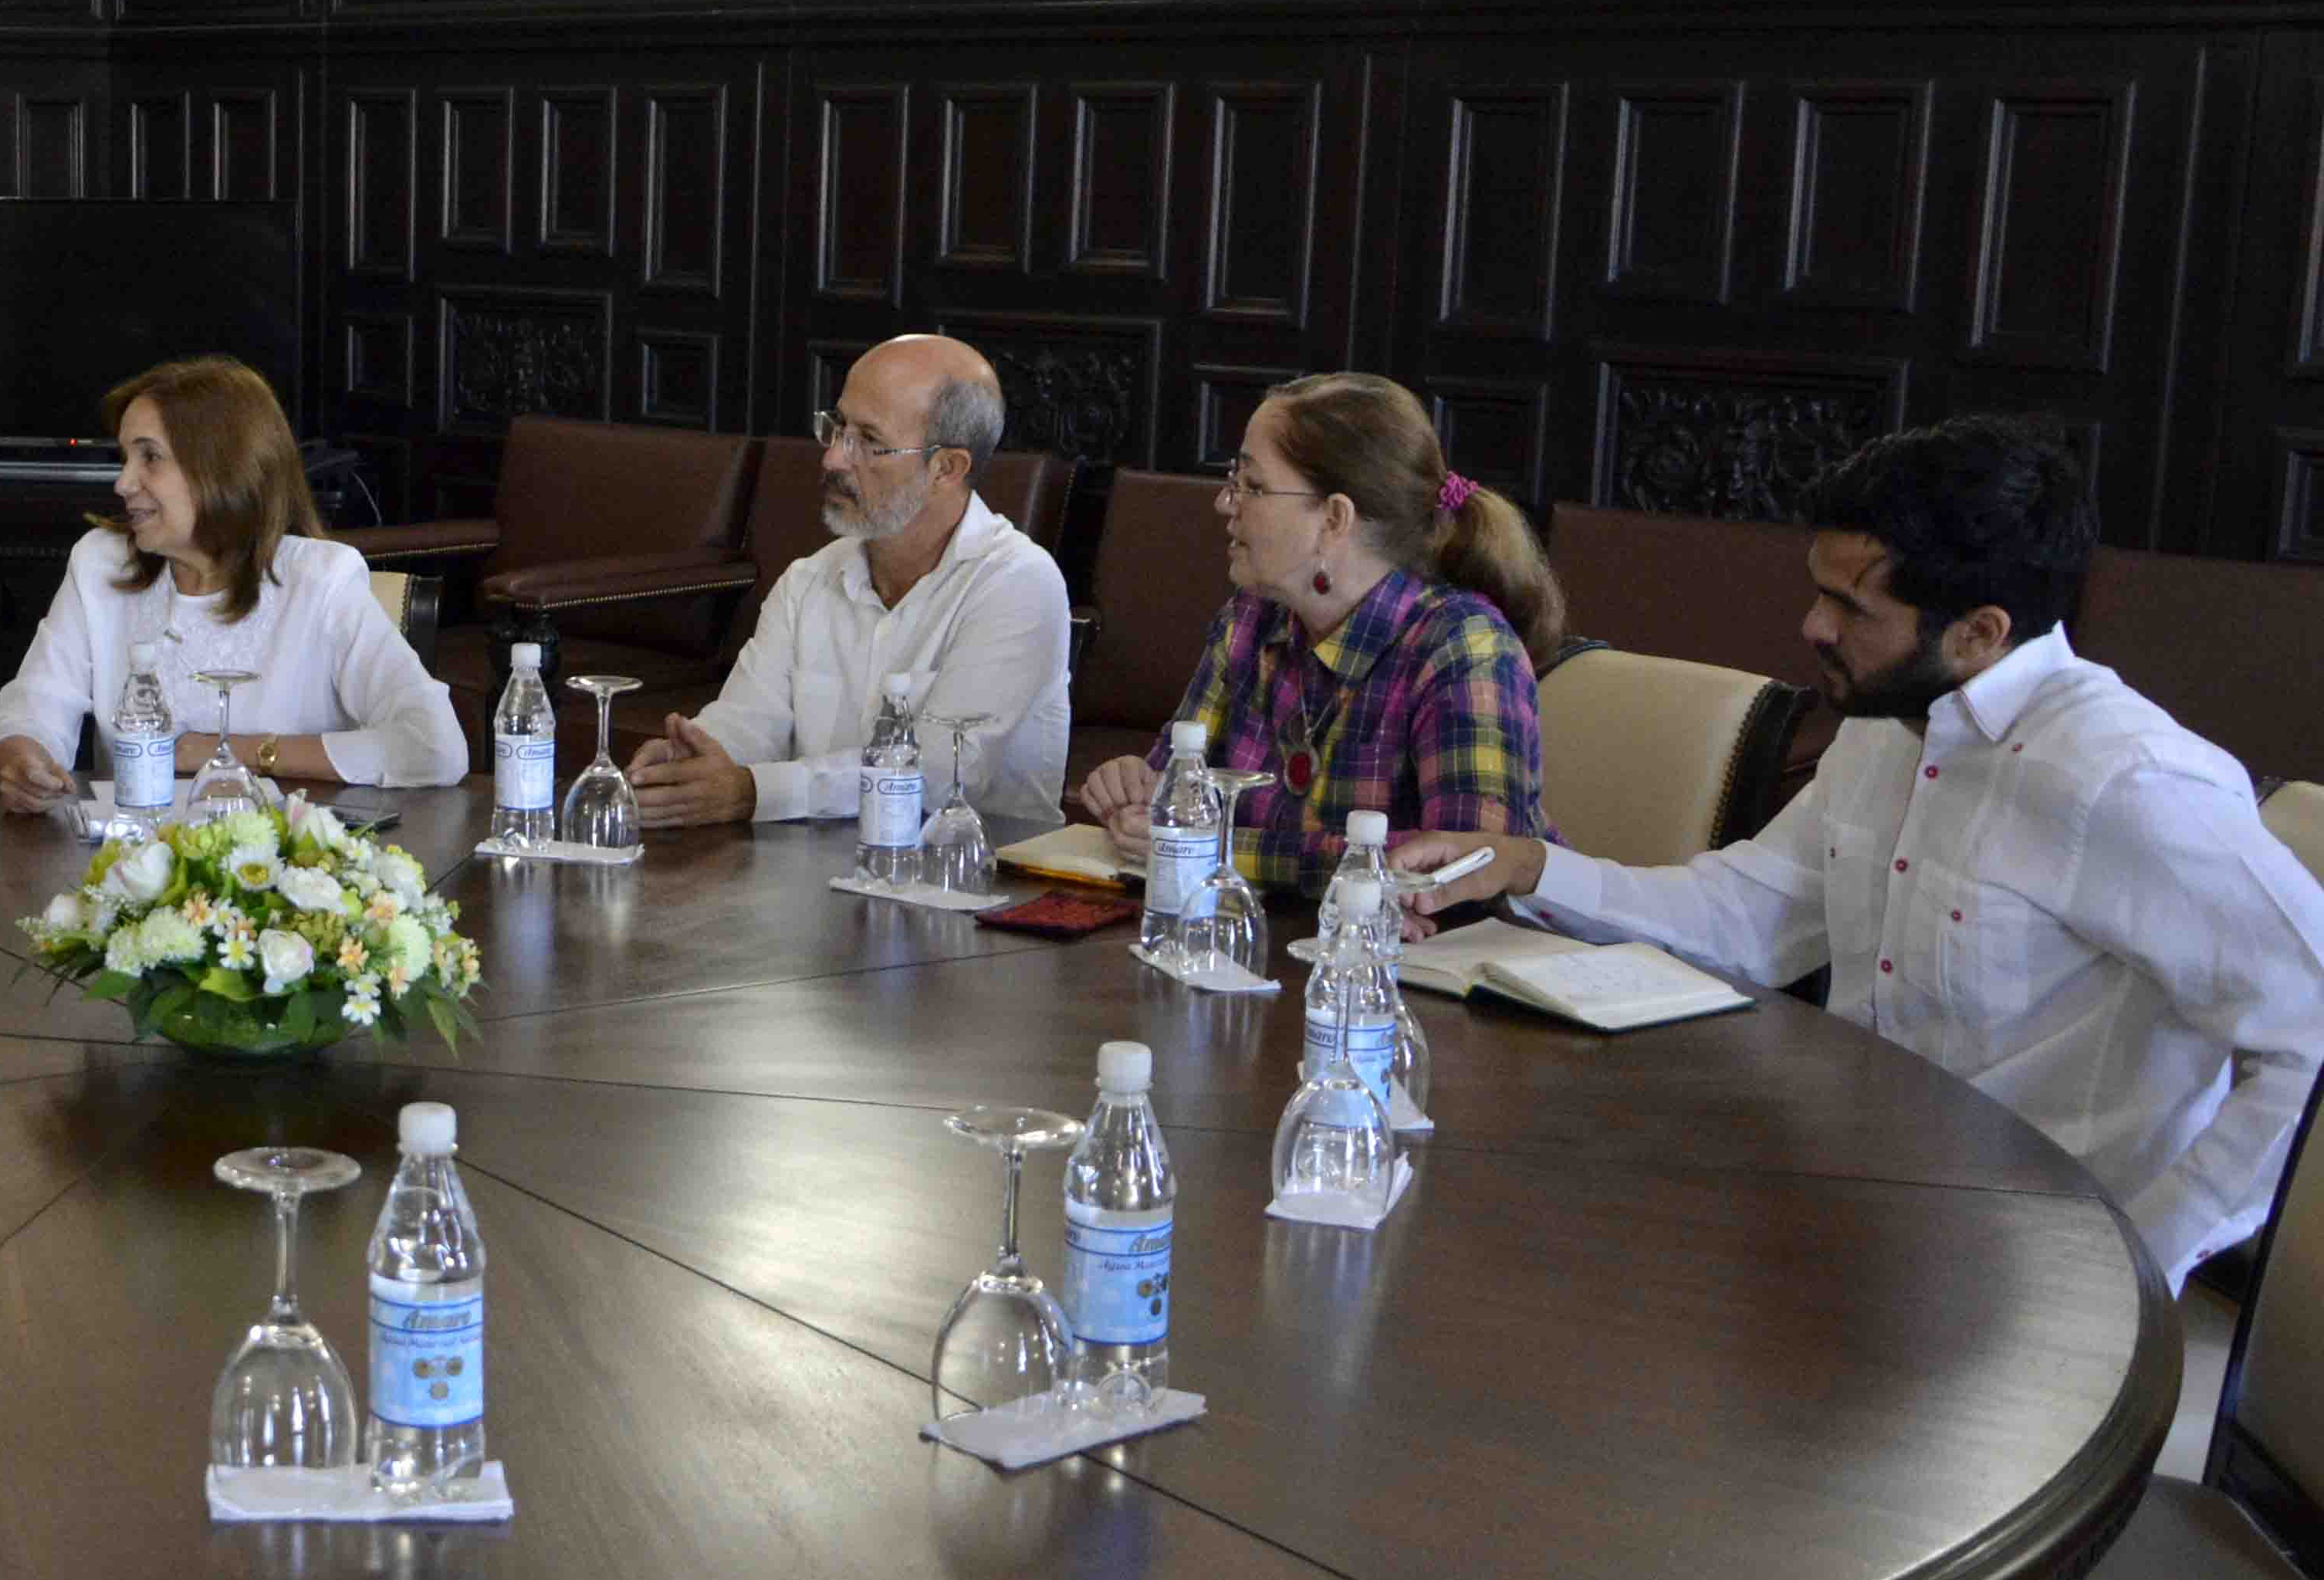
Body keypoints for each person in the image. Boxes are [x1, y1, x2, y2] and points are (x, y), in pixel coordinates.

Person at [1396, 419, 2324, 1289]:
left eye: (1848, 605)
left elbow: (2309, 1029)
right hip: (1849, 1219)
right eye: (1817, 589)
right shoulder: (1889, 724)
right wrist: (1526, 865)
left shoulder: (2125, 784)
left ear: (1980, 631)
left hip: (2022, 1273)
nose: (1811, 626)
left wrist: (2146, 1265)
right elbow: (1754, 917)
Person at [1070, 370, 1560, 892]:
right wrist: (1135, 795)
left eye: (1252, 487)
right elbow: (1176, 797)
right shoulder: (1252, 619)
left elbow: (1465, 870)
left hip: (1413, 963)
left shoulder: (1465, 646)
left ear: (1334, 517)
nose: (1224, 503)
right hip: (1266, 940)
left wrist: (1218, 848)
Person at [627, 334, 1072, 833]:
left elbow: (941, 773)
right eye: (837, 428)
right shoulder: (809, 580)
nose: (834, 459)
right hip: (808, 872)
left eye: (870, 442)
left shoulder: (1018, 585)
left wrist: (752, 791)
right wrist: (694, 760)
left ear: (947, 468)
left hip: (974, 883)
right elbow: (748, 721)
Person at [0, 357, 467, 808]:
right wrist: (19, 758)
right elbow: (31, 707)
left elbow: (434, 745)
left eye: (150, 458)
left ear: (221, 468)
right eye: (125, 457)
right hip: (130, 875)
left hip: (283, 877)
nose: (123, 483)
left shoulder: (322, 581)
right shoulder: (100, 566)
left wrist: (219, 752)